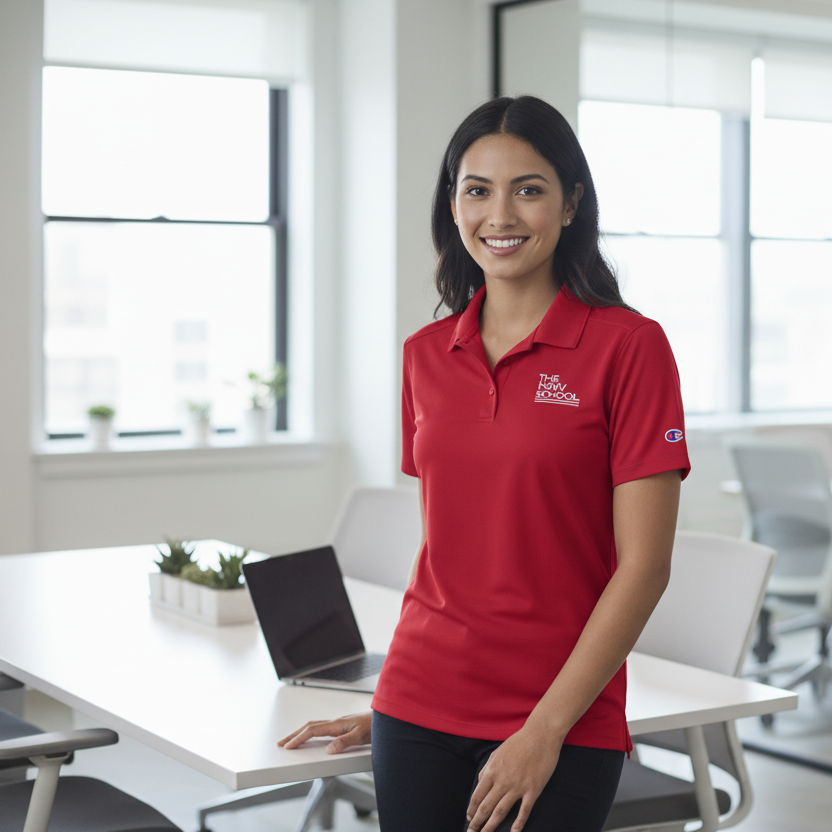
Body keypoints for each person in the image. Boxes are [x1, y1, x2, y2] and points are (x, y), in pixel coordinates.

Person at [279, 95, 690, 832]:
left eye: (528, 189)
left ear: (570, 204)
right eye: (478, 190)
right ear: (453, 205)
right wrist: (394, 704)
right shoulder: (425, 356)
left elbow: (645, 568)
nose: (500, 215)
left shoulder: (630, 348)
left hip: (559, 713)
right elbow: (452, 551)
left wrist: (542, 731)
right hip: (417, 698)